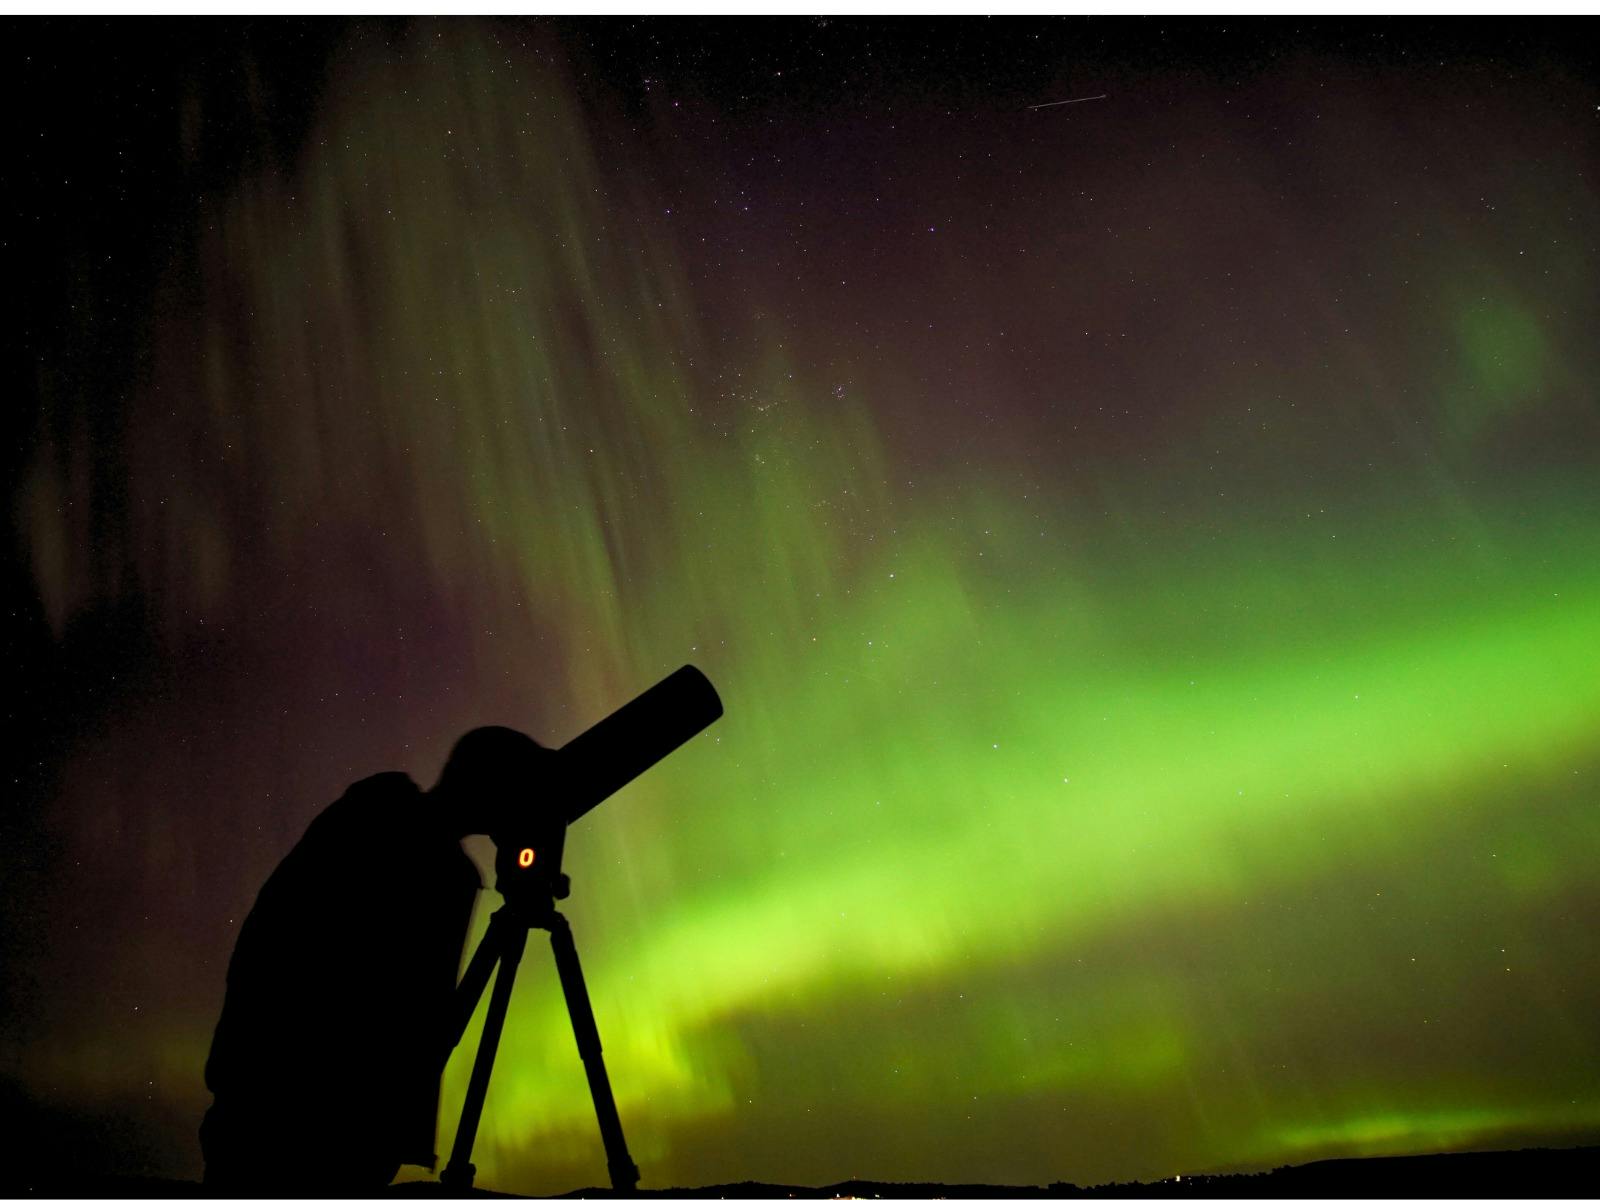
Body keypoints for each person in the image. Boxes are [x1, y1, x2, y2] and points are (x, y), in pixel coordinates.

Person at [200, 726, 558, 1194]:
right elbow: (400, 1006)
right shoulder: (414, 845)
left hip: (281, 1100)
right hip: (306, 1116)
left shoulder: (387, 820)